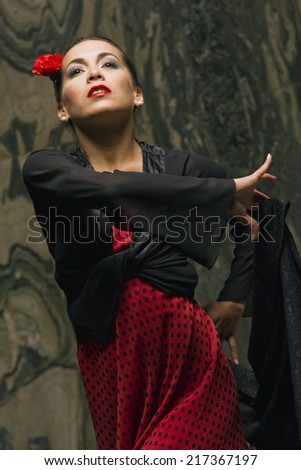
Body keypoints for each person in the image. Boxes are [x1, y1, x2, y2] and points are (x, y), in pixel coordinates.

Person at [22, 35, 275, 450]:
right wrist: (218, 191)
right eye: (76, 70)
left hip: (191, 360)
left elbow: (254, 213)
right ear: (62, 109)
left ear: (137, 94)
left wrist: (233, 298)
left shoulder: (181, 168)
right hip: (114, 372)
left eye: (108, 64)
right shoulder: (47, 170)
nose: (94, 73)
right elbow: (108, 189)